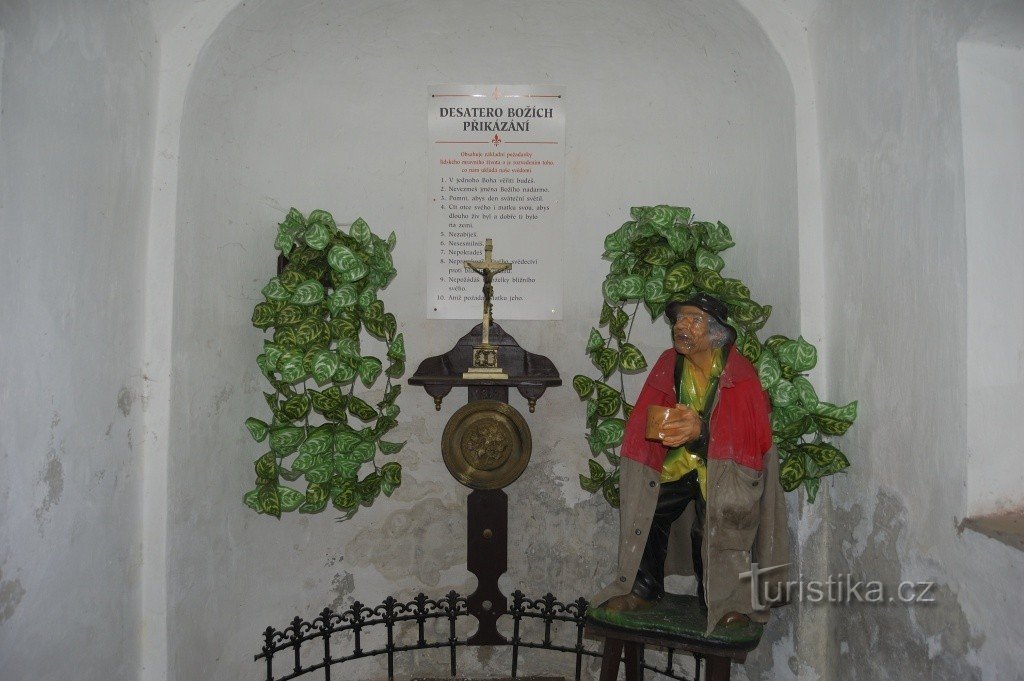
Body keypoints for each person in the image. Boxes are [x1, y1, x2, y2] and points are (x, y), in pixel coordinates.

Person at [591, 293, 790, 633]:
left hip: (722, 470)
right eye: (680, 318)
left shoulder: (739, 374)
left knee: (717, 524)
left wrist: (703, 430)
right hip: (679, 464)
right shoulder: (670, 363)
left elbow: (746, 435)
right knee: (649, 511)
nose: (682, 326)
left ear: (717, 333)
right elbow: (649, 415)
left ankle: (722, 602)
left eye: (694, 319)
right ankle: (643, 588)